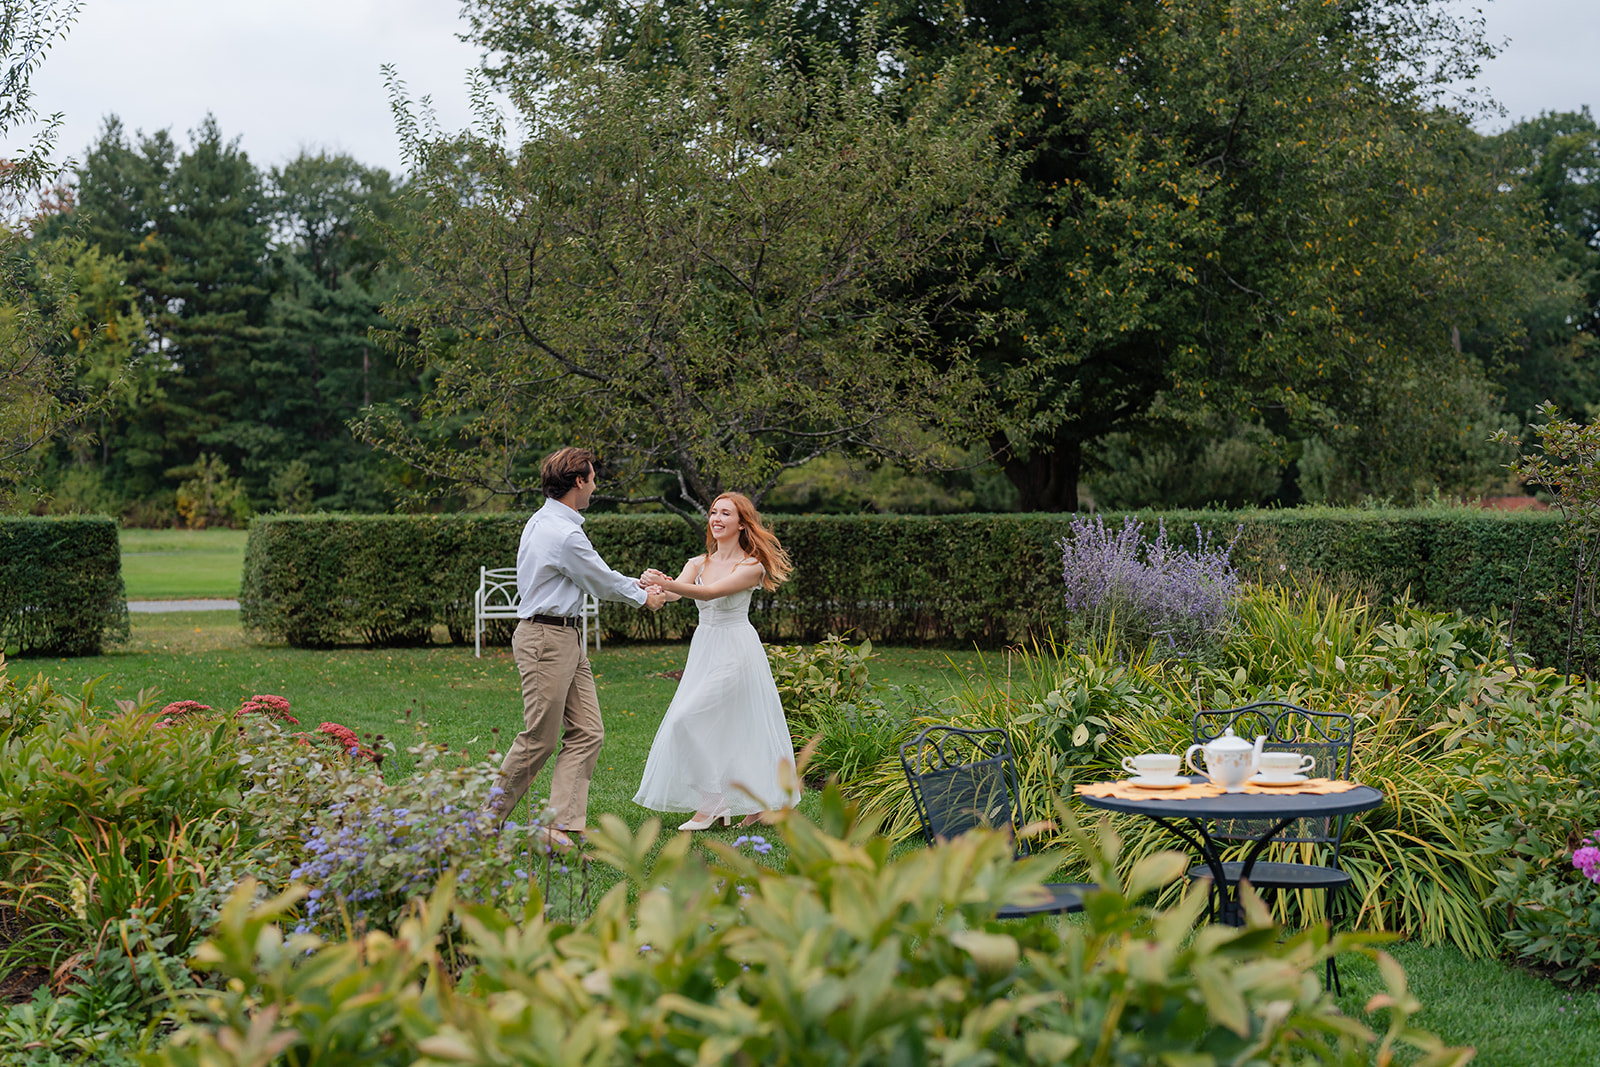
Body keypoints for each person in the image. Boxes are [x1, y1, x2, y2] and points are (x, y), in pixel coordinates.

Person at [489, 447, 667, 850]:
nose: (595, 485)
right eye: (592, 478)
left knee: (587, 731)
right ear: (579, 482)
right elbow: (600, 580)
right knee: (540, 738)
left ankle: (560, 825)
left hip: (565, 637)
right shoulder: (562, 532)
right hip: (546, 640)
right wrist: (644, 598)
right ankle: (485, 822)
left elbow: (591, 573)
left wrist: (637, 586)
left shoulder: (548, 520)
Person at [634, 492, 802, 830]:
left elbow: (710, 593)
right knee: (728, 729)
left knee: (685, 719)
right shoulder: (698, 563)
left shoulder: (751, 566)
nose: (717, 518)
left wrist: (666, 583)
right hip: (704, 649)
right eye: (713, 512)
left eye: (726, 513)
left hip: (736, 650)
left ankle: (714, 802)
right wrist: (651, 586)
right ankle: (749, 804)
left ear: (742, 523)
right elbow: (673, 593)